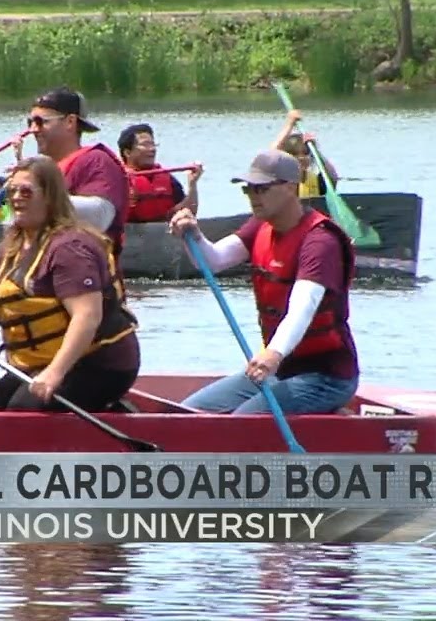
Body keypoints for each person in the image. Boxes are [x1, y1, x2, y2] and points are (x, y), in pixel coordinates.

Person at [0, 156, 140, 412]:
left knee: (23, 410)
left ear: (50, 197)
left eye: (26, 191)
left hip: (99, 363)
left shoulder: (70, 249)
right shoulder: (14, 244)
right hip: (40, 362)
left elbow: (86, 317)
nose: (16, 197)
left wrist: (55, 373)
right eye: (11, 191)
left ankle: (111, 410)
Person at [168, 150, 359, 415]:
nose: (254, 197)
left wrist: (273, 354)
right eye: (249, 189)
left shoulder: (320, 241)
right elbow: (212, 261)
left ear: (291, 188)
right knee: (187, 412)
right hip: (280, 373)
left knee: (241, 422)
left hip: (326, 377)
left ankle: (325, 412)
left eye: (262, 189)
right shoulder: (260, 225)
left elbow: (303, 308)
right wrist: (193, 235)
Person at [0, 86, 130, 292]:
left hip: (90, 298)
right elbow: (1, 272)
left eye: (41, 122)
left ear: (70, 122)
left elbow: (100, 215)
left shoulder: (96, 162)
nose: (33, 130)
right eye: (30, 122)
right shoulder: (40, 172)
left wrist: (34, 195)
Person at [117, 122, 203, 223]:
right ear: (127, 152)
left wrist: (192, 184)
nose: (152, 149)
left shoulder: (168, 180)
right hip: (130, 234)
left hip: (162, 234)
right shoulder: (116, 179)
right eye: (145, 145)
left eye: (153, 144)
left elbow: (188, 212)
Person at [272, 109, 340, 198]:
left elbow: (332, 175)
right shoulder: (280, 180)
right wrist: (290, 124)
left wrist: (315, 150)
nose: (301, 157)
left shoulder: (319, 182)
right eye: (294, 154)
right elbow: (271, 154)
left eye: (305, 153)